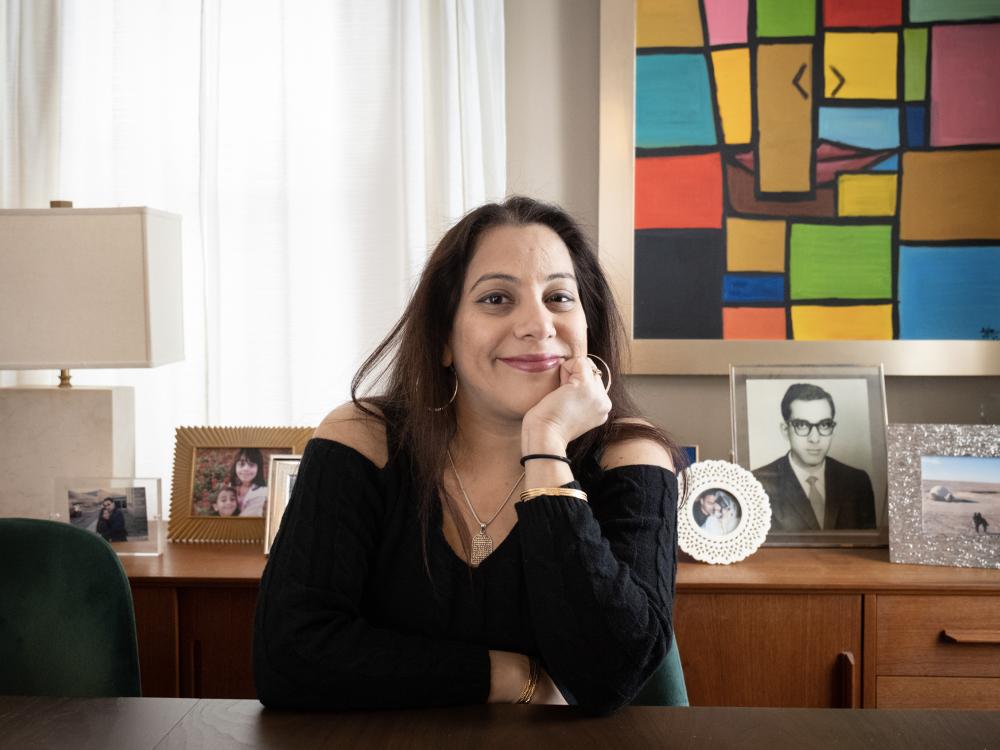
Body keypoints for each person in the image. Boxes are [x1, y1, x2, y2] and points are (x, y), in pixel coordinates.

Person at [253, 196, 683, 715]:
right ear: (444, 340)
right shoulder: (363, 440)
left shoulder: (629, 458)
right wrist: (506, 675)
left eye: (559, 298)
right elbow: (287, 659)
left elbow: (610, 676)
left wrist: (546, 445)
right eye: (497, 299)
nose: (538, 324)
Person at [752, 383, 875, 532]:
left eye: (824, 425)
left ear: (833, 429)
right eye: (802, 425)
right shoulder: (756, 485)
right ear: (785, 430)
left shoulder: (857, 482)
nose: (815, 438)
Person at [229, 448, 268, 516]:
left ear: (258, 468)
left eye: (251, 464)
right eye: (241, 464)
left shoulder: (262, 492)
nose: (246, 469)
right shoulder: (231, 486)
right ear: (235, 466)